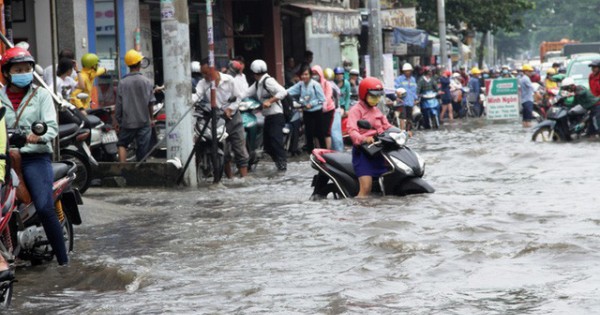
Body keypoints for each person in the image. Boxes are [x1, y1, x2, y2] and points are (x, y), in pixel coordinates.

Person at [0, 47, 68, 267]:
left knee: (45, 207)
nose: (24, 72)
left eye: (27, 68)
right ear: (7, 73)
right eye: (18, 69)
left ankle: (63, 263)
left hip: (34, 158)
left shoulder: (41, 95)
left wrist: (36, 136)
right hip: (4, 157)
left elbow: (51, 126)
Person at [195, 59, 250, 178]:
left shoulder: (229, 80)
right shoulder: (203, 84)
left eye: (206, 73)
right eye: (202, 74)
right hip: (216, 120)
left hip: (233, 119)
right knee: (223, 151)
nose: (205, 76)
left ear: (213, 69)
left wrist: (230, 109)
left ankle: (244, 179)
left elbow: (238, 97)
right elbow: (196, 96)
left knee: (240, 150)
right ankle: (229, 178)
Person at [347, 77, 392, 198]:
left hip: (379, 151)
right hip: (363, 153)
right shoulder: (355, 110)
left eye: (378, 96)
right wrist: (363, 138)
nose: (376, 99)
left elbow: (387, 126)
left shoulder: (377, 110)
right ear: (363, 94)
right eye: (373, 96)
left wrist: (401, 133)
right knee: (366, 189)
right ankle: (359, 211)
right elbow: (352, 130)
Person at [242, 59, 288, 171]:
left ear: (253, 72)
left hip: (276, 116)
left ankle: (283, 166)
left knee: (275, 142)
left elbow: (283, 92)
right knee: (268, 146)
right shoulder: (258, 83)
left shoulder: (268, 81)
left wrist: (270, 101)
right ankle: (279, 165)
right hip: (268, 117)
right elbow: (245, 93)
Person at [114, 49, 156, 162]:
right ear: (139, 64)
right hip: (144, 122)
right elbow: (151, 102)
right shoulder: (146, 81)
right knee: (143, 150)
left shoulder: (122, 82)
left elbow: (118, 104)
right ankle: (141, 173)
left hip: (128, 122)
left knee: (122, 144)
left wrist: (117, 120)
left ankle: (123, 169)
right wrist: (151, 118)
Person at [287, 65, 326, 153]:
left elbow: (322, 100)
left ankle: (324, 153)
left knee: (319, 134)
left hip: (317, 112)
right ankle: (311, 154)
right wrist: (280, 92)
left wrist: (312, 104)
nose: (304, 76)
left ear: (310, 75)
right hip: (306, 112)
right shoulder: (300, 85)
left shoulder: (315, 85)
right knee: (308, 134)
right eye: (302, 74)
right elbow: (290, 91)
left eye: (306, 74)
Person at [311, 65, 336, 149]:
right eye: (313, 73)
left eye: (316, 73)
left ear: (320, 74)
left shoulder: (326, 84)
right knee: (315, 132)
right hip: (315, 110)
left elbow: (327, 97)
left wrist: (317, 102)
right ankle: (318, 151)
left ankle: (327, 152)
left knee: (326, 132)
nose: (314, 75)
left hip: (327, 110)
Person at [394, 63, 418, 131]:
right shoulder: (399, 79)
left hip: (410, 102)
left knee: (409, 118)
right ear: (403, 71)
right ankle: (402, 130)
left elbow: (414, 90)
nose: (408, 72)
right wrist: (397, 97)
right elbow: (396, 89)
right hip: (402, 102)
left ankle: (408, 130)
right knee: (403, 117)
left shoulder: (413, 79)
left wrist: (415, 99)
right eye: (406, 71)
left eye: (409, 71)